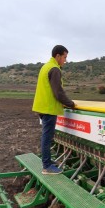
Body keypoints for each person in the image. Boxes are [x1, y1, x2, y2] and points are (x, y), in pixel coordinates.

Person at [32, 45, 75, 175]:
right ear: (58, 56)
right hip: (49, 108)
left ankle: (48, 161)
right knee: (47, 137)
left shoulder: (45, 67)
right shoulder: (55, 69)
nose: (65, 61)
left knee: (47, 136)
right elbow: (58, 93)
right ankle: (47, 166)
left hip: (42, 107)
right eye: (64, 57)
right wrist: (70, 104)